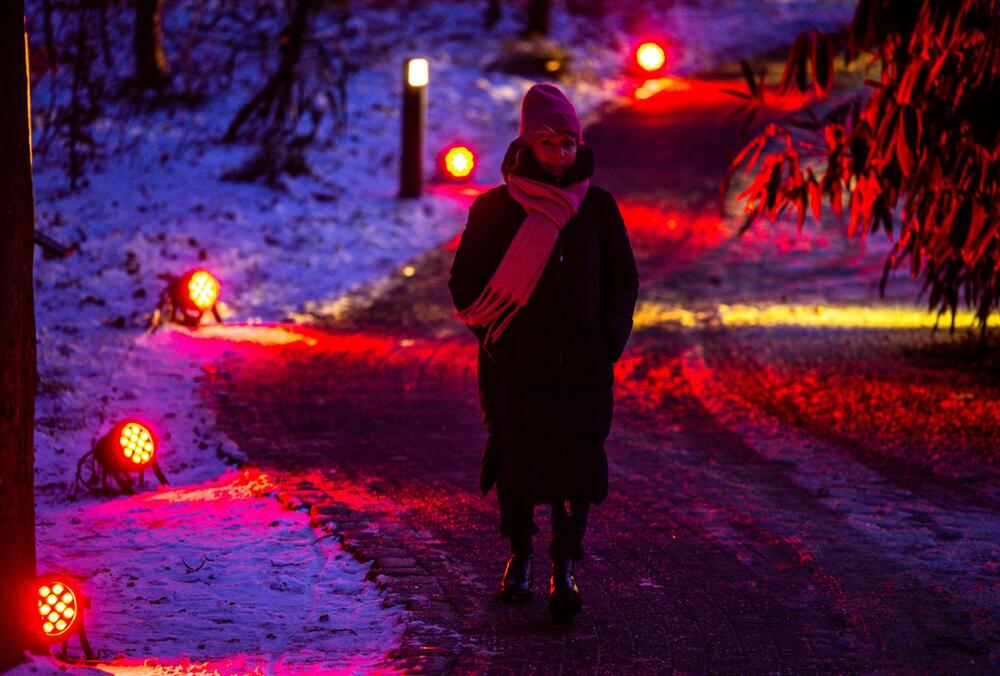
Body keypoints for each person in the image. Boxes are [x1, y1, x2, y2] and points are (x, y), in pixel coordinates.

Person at [448, 83, 639, 623]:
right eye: (550, 144)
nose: (561, 155)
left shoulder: (597, 209)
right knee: (517, 457)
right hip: (516, 366)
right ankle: (520, 557)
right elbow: (466, 283)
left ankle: (565, 566)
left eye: (569, 145)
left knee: (576, 460)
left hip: (583, 366)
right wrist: (498, 336)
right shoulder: (495, 209)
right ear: (528, 145)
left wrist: (606, 340)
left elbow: (623, 281)